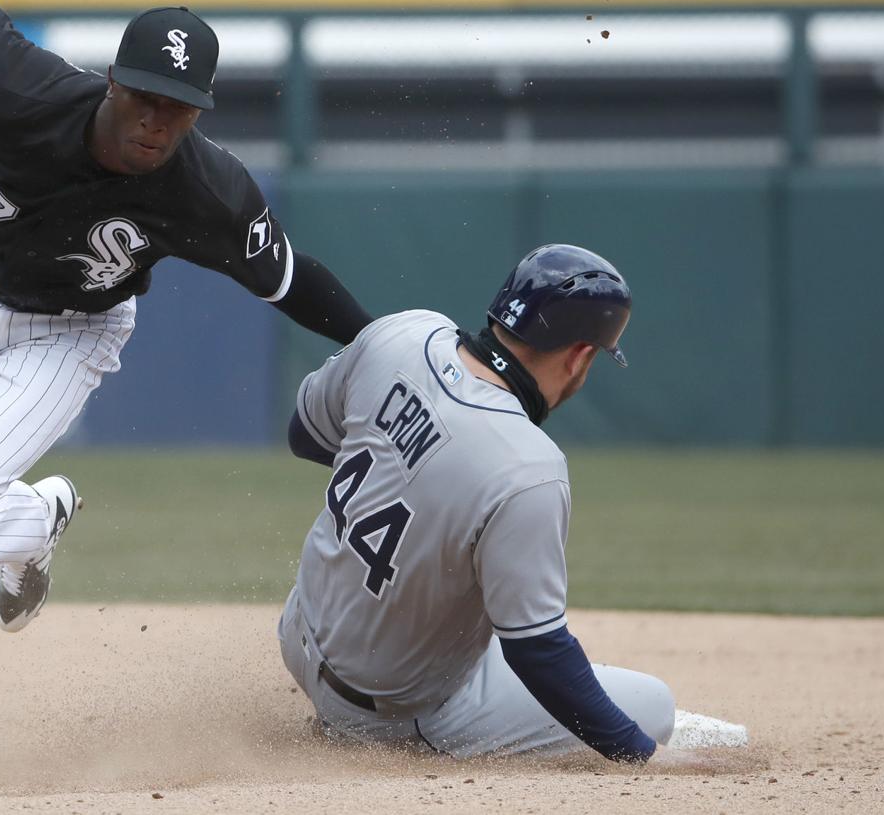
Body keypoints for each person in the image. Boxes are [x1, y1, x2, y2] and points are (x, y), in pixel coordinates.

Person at [0, 0, 372, 772]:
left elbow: (294, 280)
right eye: (145, 97)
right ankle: (35, 520)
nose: (156, 121)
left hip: (70, 333)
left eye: (179, 109)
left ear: (199, 114)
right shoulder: (23, 87)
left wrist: (386, 340)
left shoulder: (209, 191)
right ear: (112, 82)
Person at [279, 244, 694, 763]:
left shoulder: (402, 334)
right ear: (581, 354)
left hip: (299, 634)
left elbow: (305, 434)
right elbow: (539, 652)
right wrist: (642, 754)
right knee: (654, 706)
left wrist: (408, 476)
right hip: (391, 709)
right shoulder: (529, 467)